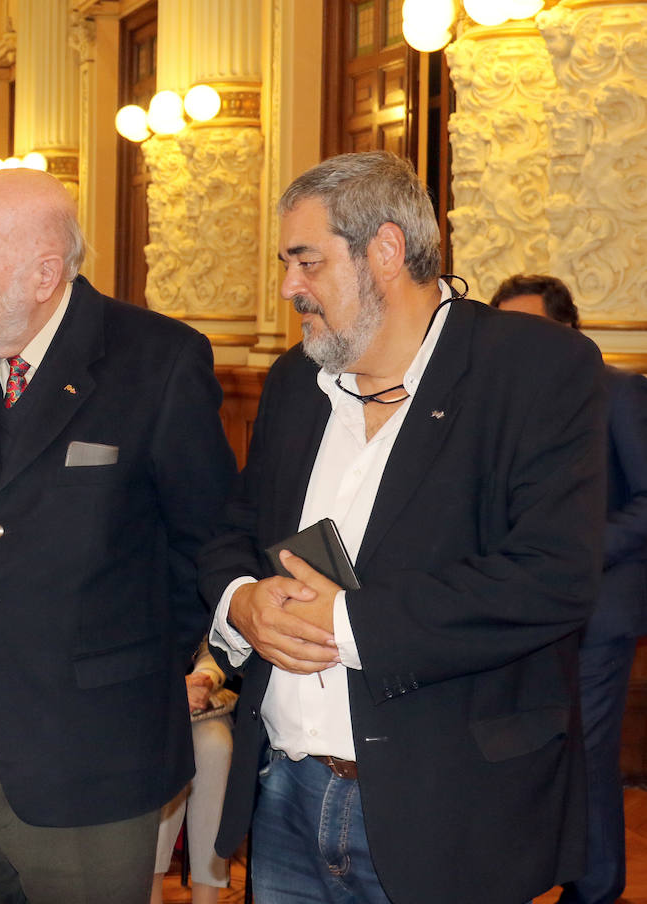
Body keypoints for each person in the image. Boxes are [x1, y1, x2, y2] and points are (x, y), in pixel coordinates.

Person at [197, 150, 606, 904]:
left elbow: (552, 575)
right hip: (283, 795)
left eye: (306, 261)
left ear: (385, 250)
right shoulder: (296, 382)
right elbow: (234, 527)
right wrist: (241, 602)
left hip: (448, 812)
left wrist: (347, 623)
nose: (289, 287)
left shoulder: (535, 369)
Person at [0, 168, 237, 903]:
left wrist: (135, 663)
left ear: (45, 273)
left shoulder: (158, 360)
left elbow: (205, 543)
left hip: (94, 753)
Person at [492, 274, 647, 904]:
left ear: (569, 329)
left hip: (598, 616)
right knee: (527, 763)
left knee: (587, 762)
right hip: (515, 619)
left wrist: (571, 555)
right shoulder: (501, 407)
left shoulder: (619, 393)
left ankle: (598, 890)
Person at [149, 641, 235, 904]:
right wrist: (172, 691)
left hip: (204, 703)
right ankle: (149, 889)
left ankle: (207, 895)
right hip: (146, 703)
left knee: (216, 747)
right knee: (166, 753)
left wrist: (204, 678)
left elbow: (217, 639)